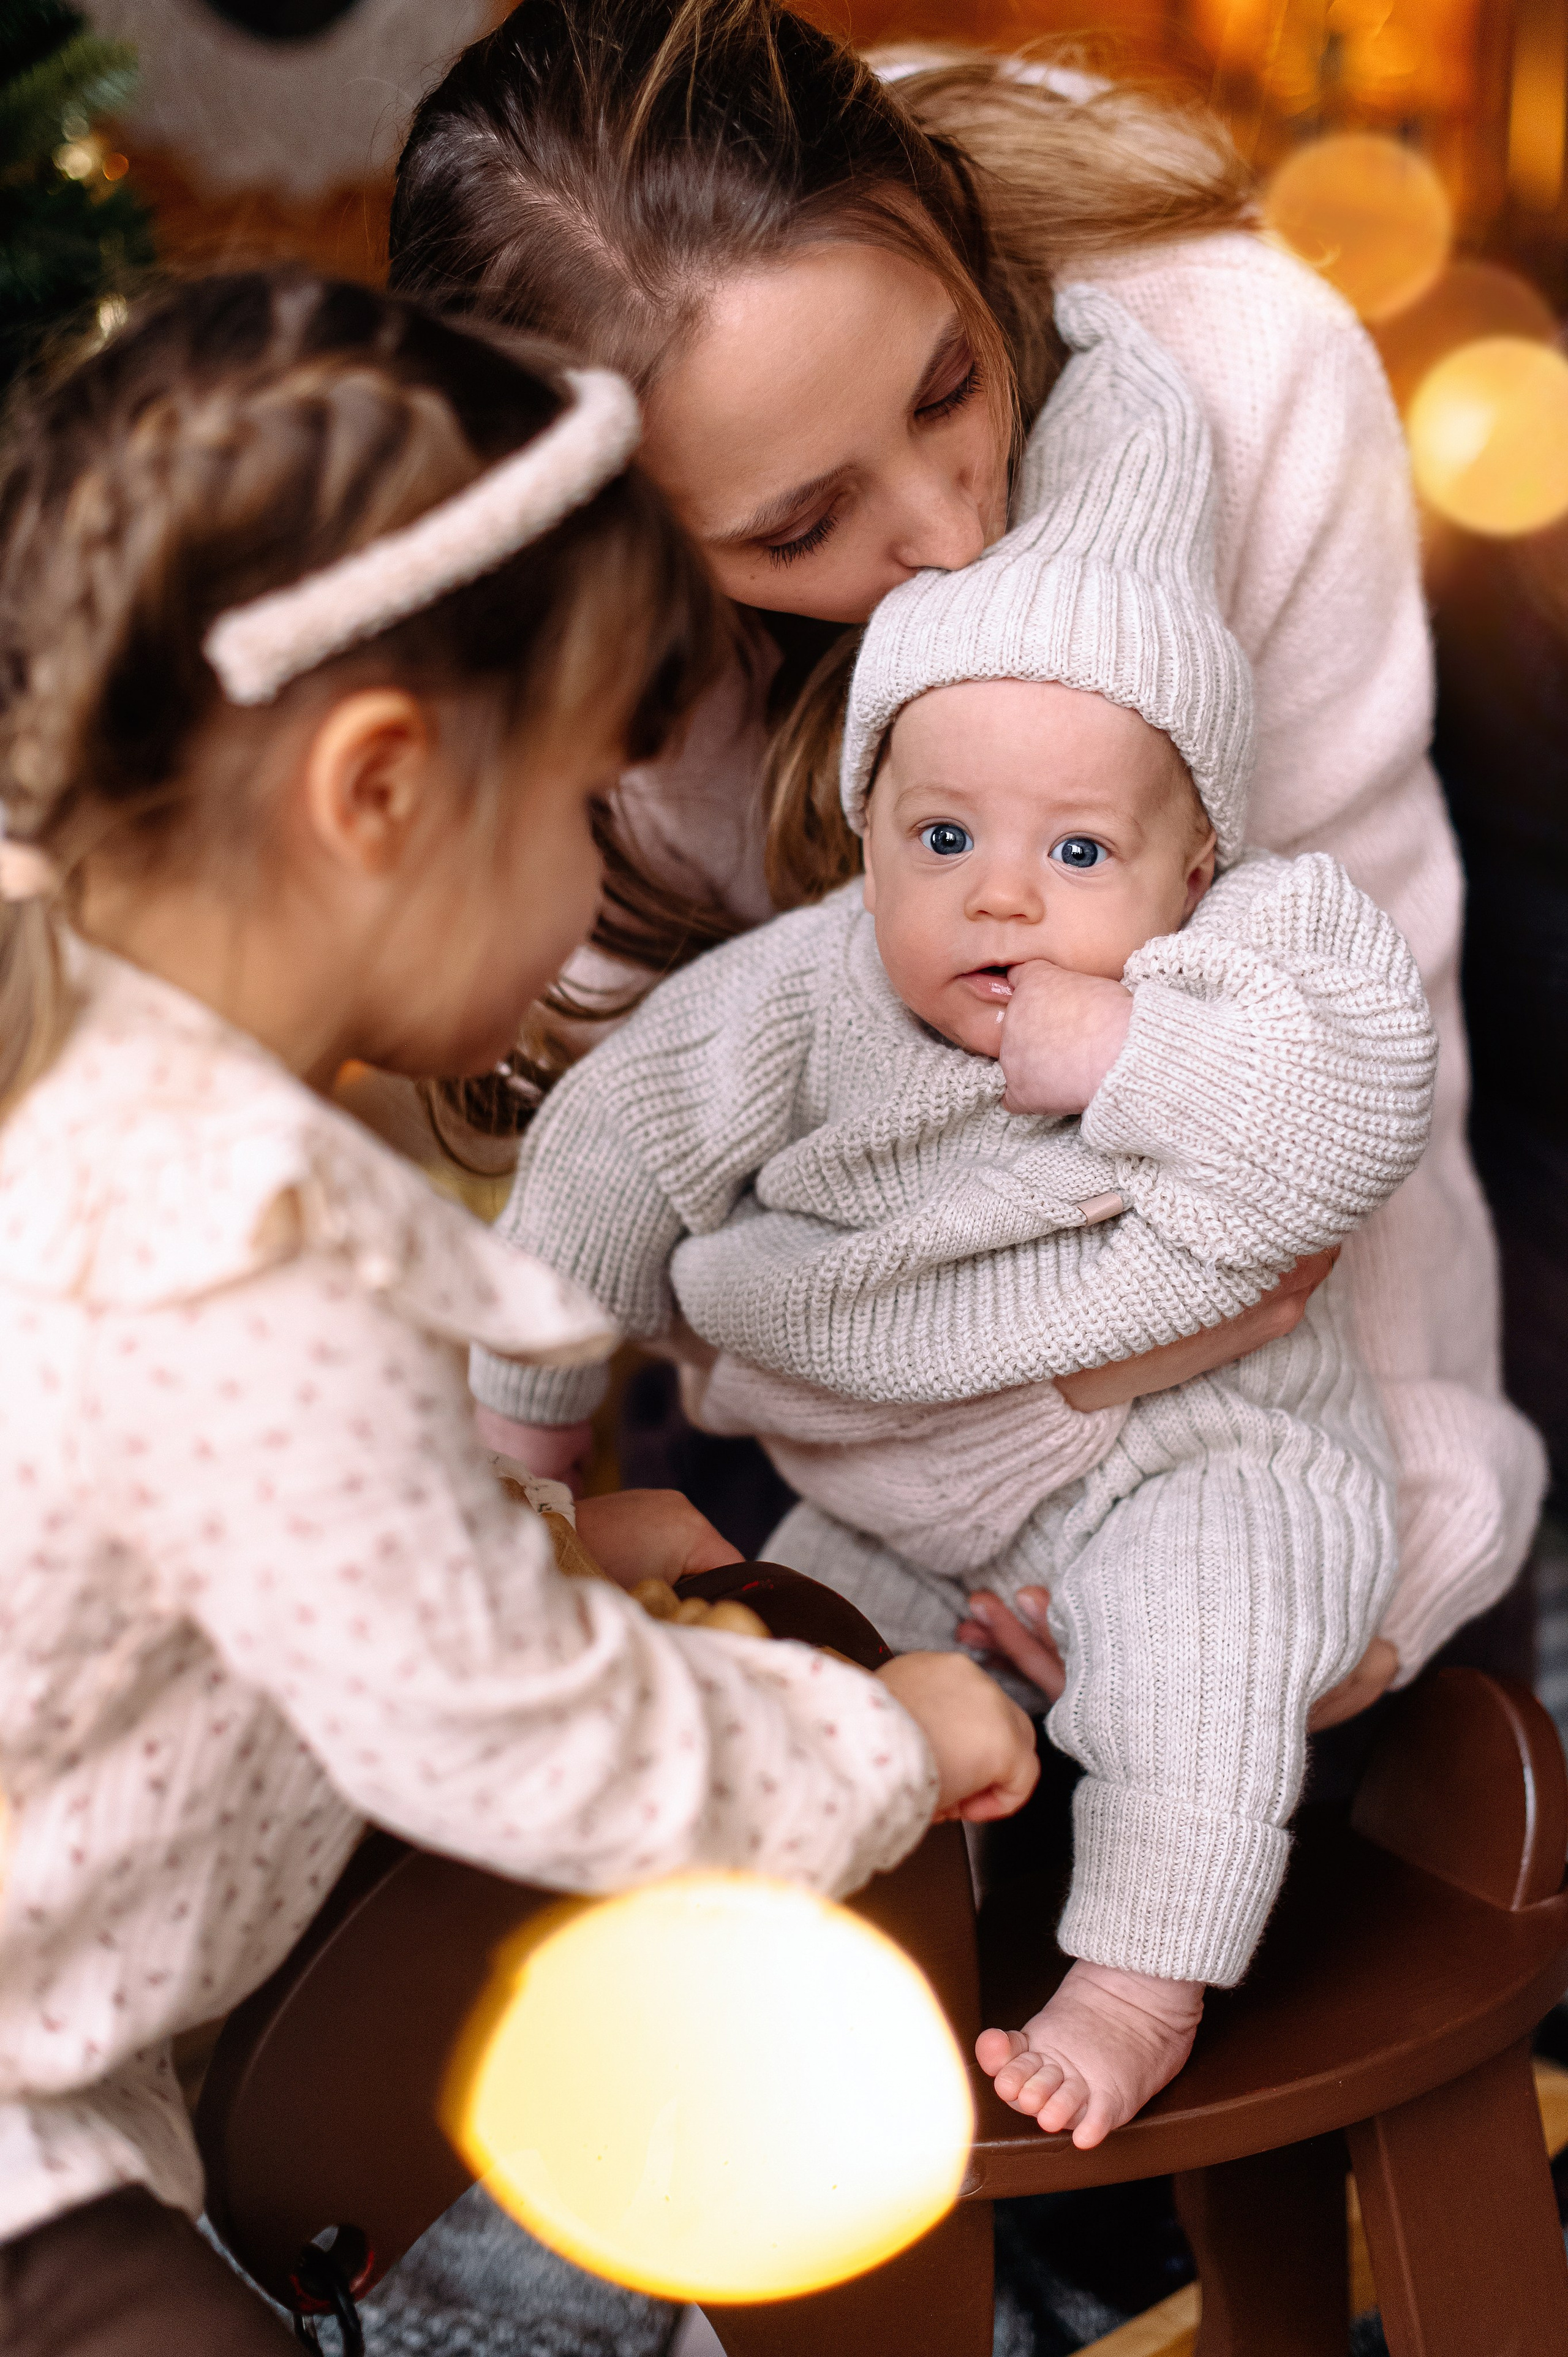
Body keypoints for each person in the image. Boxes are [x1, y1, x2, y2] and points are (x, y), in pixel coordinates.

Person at [0, 270, 1038, 2355]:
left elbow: (240, 1549)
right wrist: (883, 1739)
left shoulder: (91, 1063)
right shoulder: (232, 1252)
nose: (592, 890)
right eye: (577, 805)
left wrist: (527, 1547)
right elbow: (531, 1751)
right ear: (377, 793)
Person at [389, 0, 1545, 1710]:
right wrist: (1015, 1437)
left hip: (1295, 1441)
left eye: (948, 385)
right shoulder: (563, 674)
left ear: (935, 206)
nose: (951, 529)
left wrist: (1401, 1547)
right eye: (800, 525)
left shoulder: (1244, 364)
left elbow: (1360, 1067)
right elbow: (668, 1212)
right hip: (846, 1439)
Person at [470, 286, 1438, 2148]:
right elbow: (612, 1139)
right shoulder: (811, 984)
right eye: (945, 840)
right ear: (868, 826)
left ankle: (1139, 1980)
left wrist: (1125, 1048)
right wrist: (520, 1427)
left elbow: (1351, 1119)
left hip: (1197, 1453)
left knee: (1203, 1653)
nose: (1003, 900)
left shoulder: (1260, 957)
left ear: (1195, 859)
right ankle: (795, 1967)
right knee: (814, 1649)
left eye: (1080, 855)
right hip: (904, 1464)